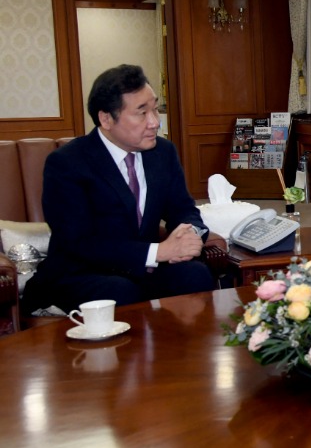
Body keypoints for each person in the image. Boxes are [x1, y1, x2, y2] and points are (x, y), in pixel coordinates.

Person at [22, 64, 215, 313]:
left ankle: (183, 352)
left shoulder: (162, 153)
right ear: (106, 119)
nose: (154, 122)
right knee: (120, 292)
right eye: (141, 113)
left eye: (155, 109)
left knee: (194, 275)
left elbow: (183, 209)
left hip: (143, 269)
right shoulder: (68, 163)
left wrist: (192, 236)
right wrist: (158, 251)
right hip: (82, 273)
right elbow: (78, 242)